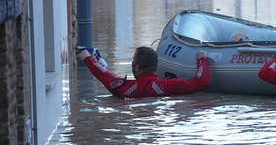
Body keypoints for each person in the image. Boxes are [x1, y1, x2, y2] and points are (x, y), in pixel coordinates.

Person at [77, 46, 210, 99]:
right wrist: (201, 59)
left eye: (133, 60)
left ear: (137, 67)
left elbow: (104, 75)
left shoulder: (124, 89)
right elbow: (201, 81)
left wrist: (87, 58)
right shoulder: (169, 86)